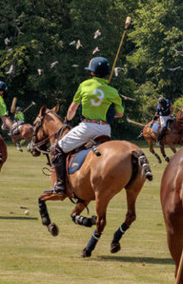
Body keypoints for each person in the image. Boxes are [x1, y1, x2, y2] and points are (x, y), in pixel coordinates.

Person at [47, 58, 125, 194]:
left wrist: (67, 120)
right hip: (105, 129)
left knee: (57, 148)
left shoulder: (84, 85)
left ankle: (59, 185)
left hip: (87, 127)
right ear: (106, 74)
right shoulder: (112, 91)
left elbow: (72, 109)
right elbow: (120, 114)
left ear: (92, 72)